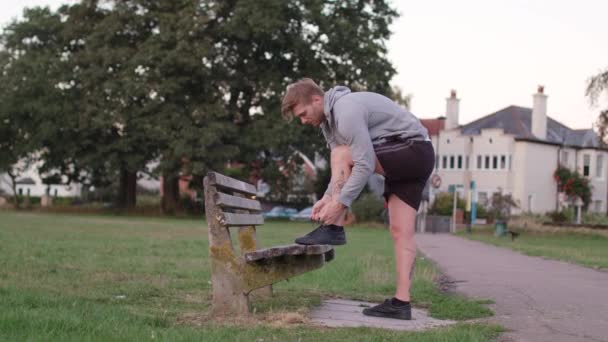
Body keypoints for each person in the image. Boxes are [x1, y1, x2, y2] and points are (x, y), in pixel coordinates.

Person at [281, 78, 435, 320]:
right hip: (412, 157)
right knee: (400, 231)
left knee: (342, 153)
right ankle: (401, 303)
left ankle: (333, 227)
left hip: (411, 150)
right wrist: (326, 198)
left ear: (316, 100)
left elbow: (361, 164)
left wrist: (339, 205)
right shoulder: (329, 123)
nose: (303, 120)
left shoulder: (345, 109)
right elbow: (341, 167)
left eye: (303, 113)